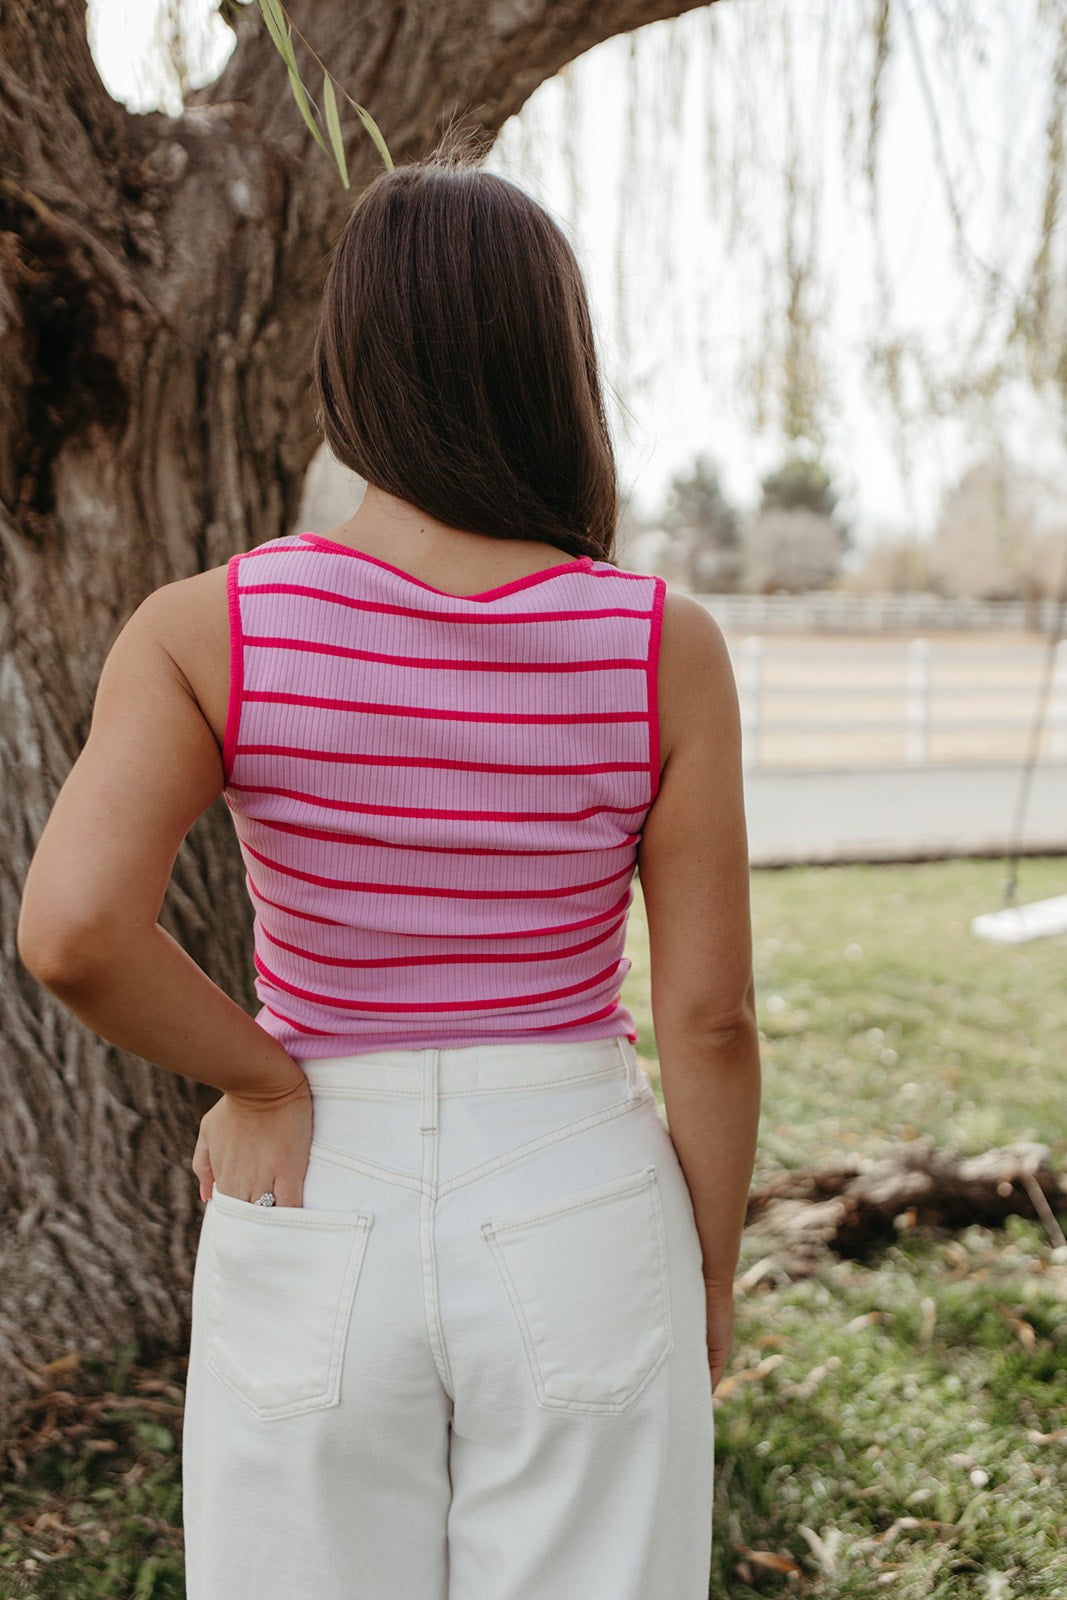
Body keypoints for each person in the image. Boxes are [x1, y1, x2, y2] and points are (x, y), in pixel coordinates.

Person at [17, 157, 761, 1600]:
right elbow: (711, 1018)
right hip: (579, 1188)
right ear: (557, 365)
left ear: (348, 365)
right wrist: (710, 1267)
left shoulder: (205, 629)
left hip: (312, 1191)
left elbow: (74, 931)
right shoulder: (660, 644)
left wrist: (261, 1080)